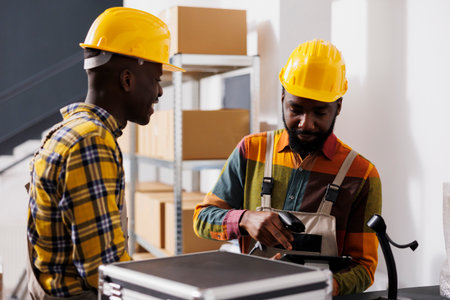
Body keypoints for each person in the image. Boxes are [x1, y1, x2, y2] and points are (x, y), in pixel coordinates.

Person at [193, 39, 381, 296]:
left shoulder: (361, 175)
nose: (306, 124)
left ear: (338, 107)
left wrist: (318, 288)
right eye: (296, 109)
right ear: (282, 97)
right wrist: (245, 218)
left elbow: (364, 268)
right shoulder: (251, 151)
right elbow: (202, 219)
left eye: (319, 112)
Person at [26, 7, 184, 298]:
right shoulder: (91, 143)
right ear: (127, 80)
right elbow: (104, 268)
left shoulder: (68, 131)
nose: (160, 92)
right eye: (156, 79)